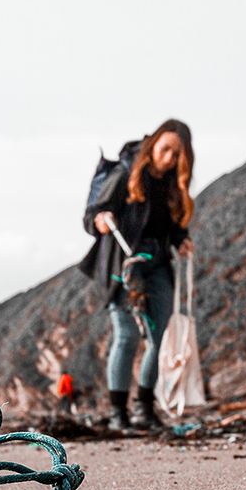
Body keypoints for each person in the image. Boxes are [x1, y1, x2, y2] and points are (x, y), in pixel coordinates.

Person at [79, 119, 195, 430]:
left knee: (160, 338)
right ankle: (118, 414)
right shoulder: (124, 174)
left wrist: (180, 239)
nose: (169, 158)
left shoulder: (173, 185)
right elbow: (91, 216)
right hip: (123, 265)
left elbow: (170, 224)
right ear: (154, 144)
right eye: (165, 149)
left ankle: (144, 408)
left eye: (177, 154)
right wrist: (99, 220)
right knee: (127, 336)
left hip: (158, 264)